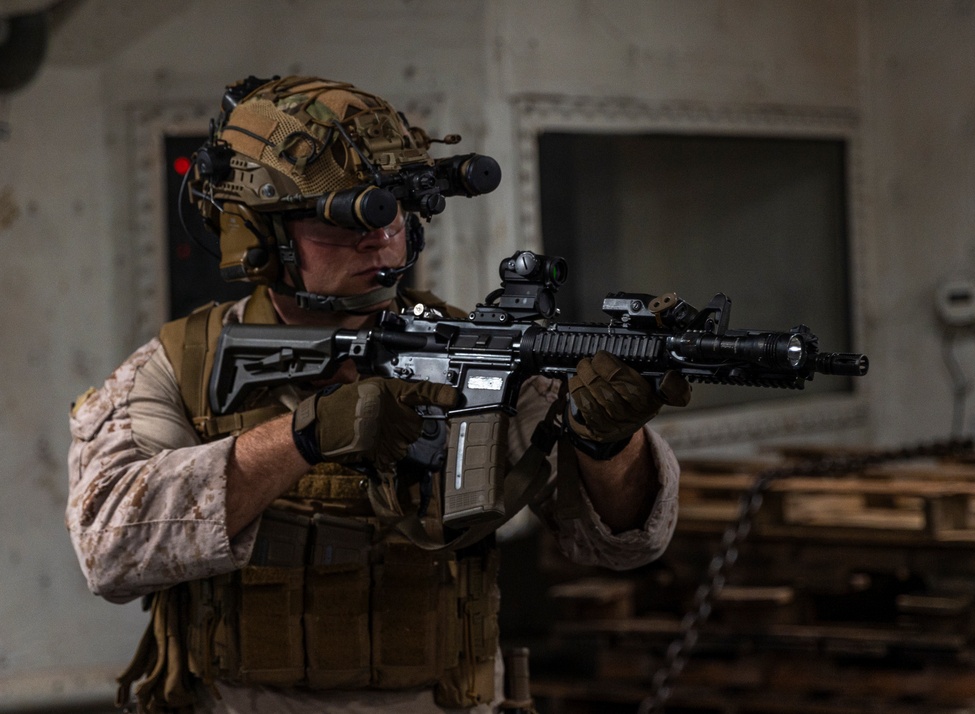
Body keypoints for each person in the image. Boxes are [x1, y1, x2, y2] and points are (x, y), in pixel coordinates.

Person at [66, 75, 689, 714]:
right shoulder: (180, 366)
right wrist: (307, 435)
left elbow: (625, 543)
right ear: (258, 237)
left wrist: (610, 441)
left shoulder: (484, 354)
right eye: (346, 215)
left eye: (393, 208)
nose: (379, 234)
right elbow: (109, 549)